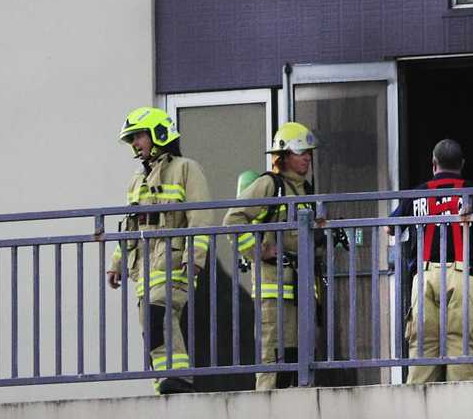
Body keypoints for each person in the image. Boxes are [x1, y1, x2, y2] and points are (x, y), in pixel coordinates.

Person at [105, 107, 211, 394]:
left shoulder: (186, 168)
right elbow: (130, 227)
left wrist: (195, 258)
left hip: (174, 261)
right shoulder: (136, 181)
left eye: (138, 136)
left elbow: (200, 218)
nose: (135, 144)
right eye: (132, 140)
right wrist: (116, 262)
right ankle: (163, 382)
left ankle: (179, 376)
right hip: (144, 268)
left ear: (159, 134)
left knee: (157, 313)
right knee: (150, 325)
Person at [396, 139, 473, 383]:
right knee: (462, 353)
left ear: (433, 164)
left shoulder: (416, 194)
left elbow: (388, 229)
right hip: (464, 279)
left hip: (424, 277)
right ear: (462, 164)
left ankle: (421, 414)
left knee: (422, 354)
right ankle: (460, 414)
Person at [224, 122, 318, 389]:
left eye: (309, 152)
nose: (308, 157)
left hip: (301, 287)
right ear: (284, 155)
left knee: (298, 356)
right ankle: (264, 412)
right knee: (271, 356)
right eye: (302, 152)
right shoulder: (269, 185)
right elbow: (233, 219)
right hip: (272, 287)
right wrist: (259, 251)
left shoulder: (306, 190)